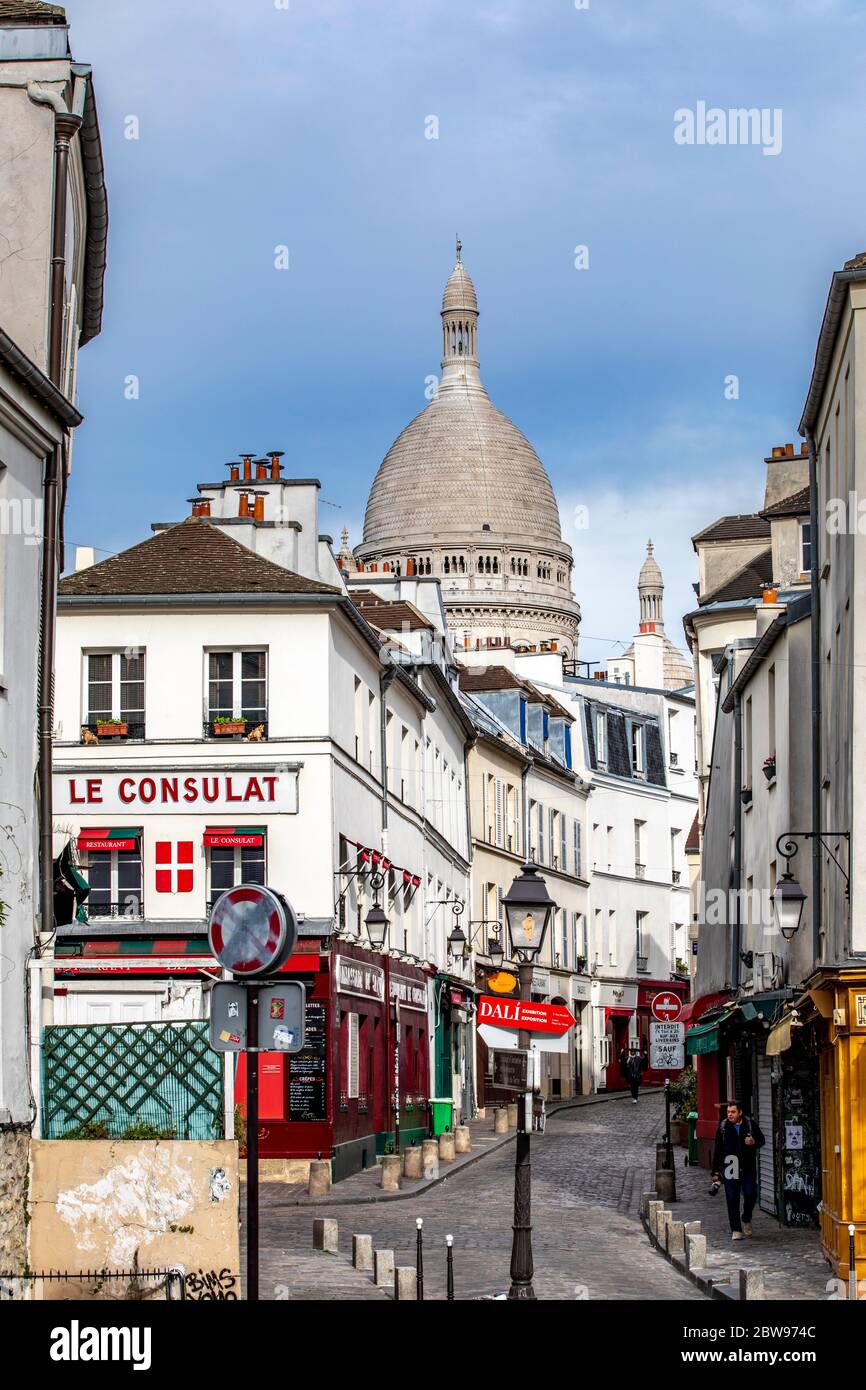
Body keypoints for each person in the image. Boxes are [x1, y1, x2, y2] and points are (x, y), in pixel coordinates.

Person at [711, 1100, 765, 1240]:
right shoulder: (723, 1127)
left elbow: (762, 1140)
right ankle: (736, 1229)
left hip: (747, 1165)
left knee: (750, 1194)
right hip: (730, 1165)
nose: (730, 1114)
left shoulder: (749, 1124)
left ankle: (746, 1217)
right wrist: (715, 1172)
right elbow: (717, 1150)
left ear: (740, 1112)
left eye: (733, 1112)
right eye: (728, 1112)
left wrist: (754, 1142)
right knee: (732, 1198)